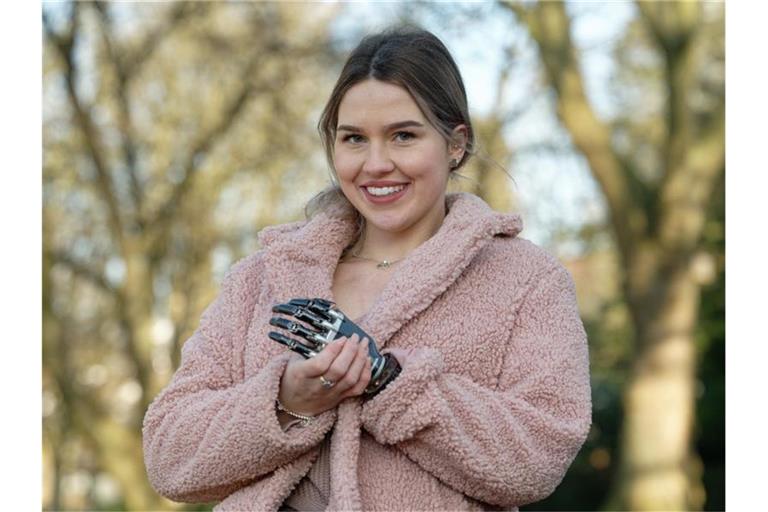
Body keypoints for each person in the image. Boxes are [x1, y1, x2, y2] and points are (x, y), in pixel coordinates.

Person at [142, 26, 591, 512]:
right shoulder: (262, 278)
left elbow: (538, 455)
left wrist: (389, 382)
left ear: (456, 144)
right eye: (354, 138)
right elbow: (169, 454)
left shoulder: (525, 280)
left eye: (403, 136)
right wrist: (286, 400)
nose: (376, 164)